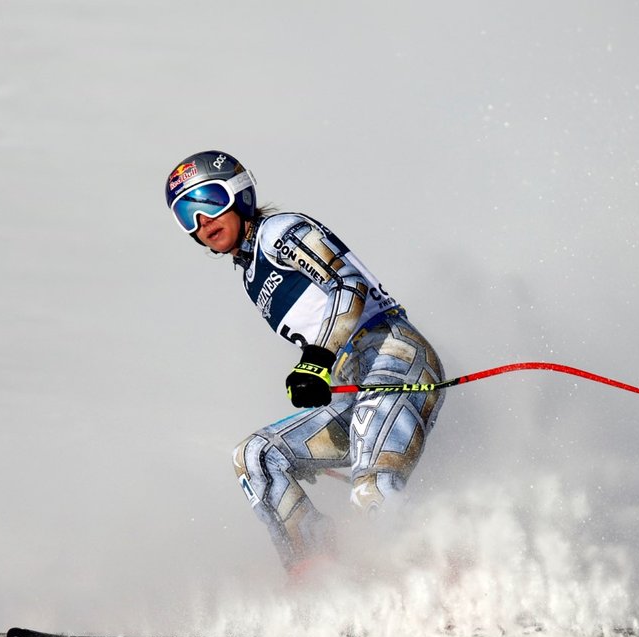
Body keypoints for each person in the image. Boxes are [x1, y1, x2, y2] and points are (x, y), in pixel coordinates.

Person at [164, 150, 445, 580]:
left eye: (210, 201)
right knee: (257, 456)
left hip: (395, 356)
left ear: (239, 196)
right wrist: (318, 366)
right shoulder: (250, 273)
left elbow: (348, 284)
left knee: (371, 489)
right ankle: (320, 577)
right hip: (355, 378)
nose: (203, 222)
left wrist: (316, 360)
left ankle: (437, 587)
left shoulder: (279, 231)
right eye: (187, 214)